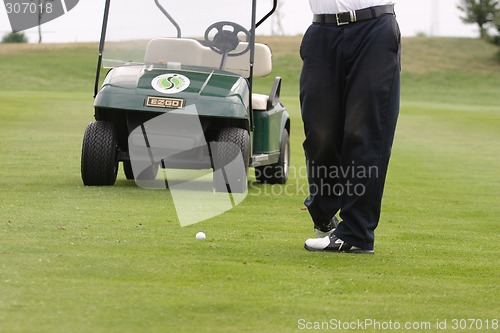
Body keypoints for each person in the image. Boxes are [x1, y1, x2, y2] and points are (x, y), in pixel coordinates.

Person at [300, 0, 401, 254]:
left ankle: (357, 233)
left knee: (364, 131)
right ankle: (323, 217)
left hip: (374, 28)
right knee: (319, 133)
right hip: (322, 31)